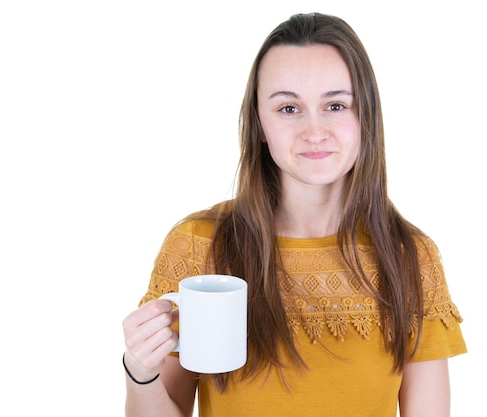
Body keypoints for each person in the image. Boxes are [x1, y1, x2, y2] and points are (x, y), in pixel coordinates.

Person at [121, 12, 467, 417]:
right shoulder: (198, 247)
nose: (314, 130)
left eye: (336, 105)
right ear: (260, 124)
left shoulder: (411, 258)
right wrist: (139, 371)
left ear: (365, 116)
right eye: (288, 108)